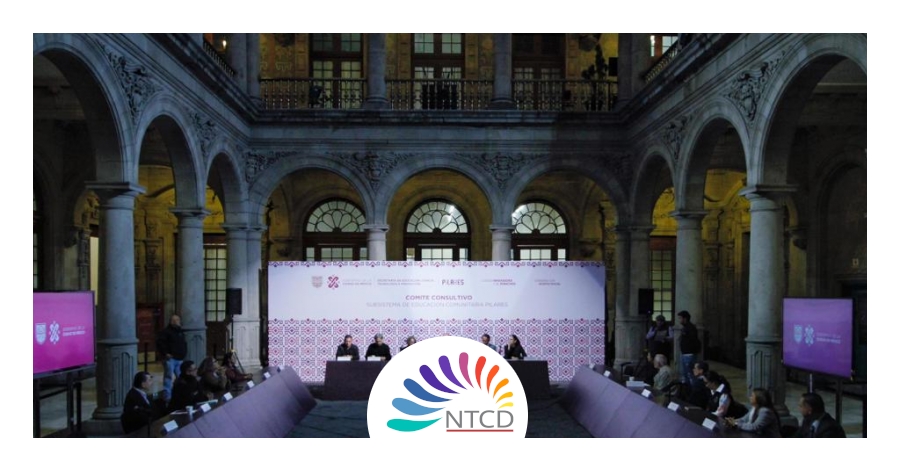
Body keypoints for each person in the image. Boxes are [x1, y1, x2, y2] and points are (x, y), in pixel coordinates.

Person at [156, 314, 187, 403]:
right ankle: (167, 396)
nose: (177, 321)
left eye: (178, 320)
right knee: (168, 377)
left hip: (179, 358)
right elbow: (160, 343)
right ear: (171, 321)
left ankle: (180, 393)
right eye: (175, 320)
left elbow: (183, 343)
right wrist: (165, 353)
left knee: (181, 376)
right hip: (171, 358)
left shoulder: (180, 331)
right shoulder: (166, 332)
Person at [677, 311, 701, 385]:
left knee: (690, 374)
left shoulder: (691, 328)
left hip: (689, 354)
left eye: (680, 318)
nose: (679, 320)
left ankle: (692, 389)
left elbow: (693, 340)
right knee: (685, 374)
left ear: (685, 318)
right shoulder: (685, 328)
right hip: (685, 353)